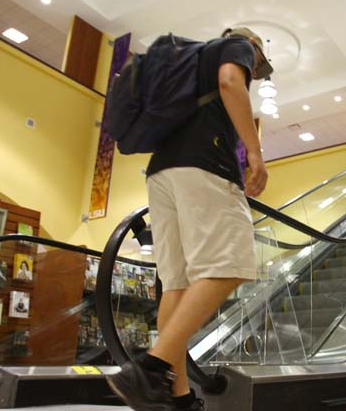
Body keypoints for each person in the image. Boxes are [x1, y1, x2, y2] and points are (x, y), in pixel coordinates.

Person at [107, 26, 272, 411]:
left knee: (177, 285)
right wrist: (255, 153)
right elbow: (231, 81)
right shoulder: (235, 47)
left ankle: (177, 398)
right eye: (259, 65)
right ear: (254, 48)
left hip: (162, 173)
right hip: (206, 164)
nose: (256, 71)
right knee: (231, 263)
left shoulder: (189, 62)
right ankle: (148, 370)